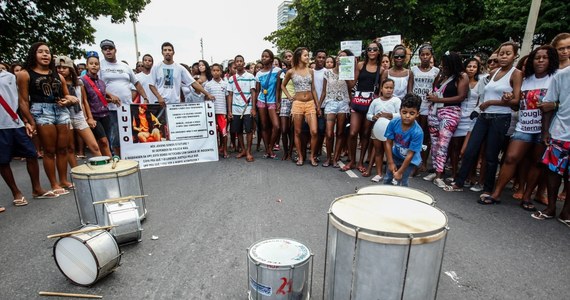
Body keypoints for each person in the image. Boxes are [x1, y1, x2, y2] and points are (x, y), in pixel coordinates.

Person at [446, 42, 523, 201]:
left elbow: (516, 101)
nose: (503, 57)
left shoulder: (516, 74)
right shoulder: (494, 73)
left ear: (515, 56)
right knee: (470, 150)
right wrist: (484, 105)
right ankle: (459, 183)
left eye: (508, 53)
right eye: (501, 53)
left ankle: (488, 188)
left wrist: (492, 103)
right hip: (483, 116)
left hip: (500, 118)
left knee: (491, 155)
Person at [484, 45, 558, 210]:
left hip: (544, 129)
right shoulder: (526, 79)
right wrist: (509, 97)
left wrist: (552, 104)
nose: (540, 61)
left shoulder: (556, 77)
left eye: (544, 58)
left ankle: (527, 197)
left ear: (550, 60)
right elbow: (517, 105)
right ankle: (496, 193)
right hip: (524, 126)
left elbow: (563, 102)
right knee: (511, 158)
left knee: (537, 163)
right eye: (537, 58)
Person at [17, 42, 78, 195]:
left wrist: (69, 100)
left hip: (61, 110)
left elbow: (67, 96)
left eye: (47, 52)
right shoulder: (25, 74)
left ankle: (63, 180)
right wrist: (30, 121)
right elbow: (23, 101)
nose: (45, 55)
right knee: (49, 150)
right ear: (33, 54)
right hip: (41, 111)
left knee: (63, 148)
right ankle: (54, 184)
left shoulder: (58, 75)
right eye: (41, 52)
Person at [1, 66, 58, 211]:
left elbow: (20, 100)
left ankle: (37, 189)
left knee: (31, 154)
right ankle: (16, 193)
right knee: (3, 161)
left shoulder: (9, 77)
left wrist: (27, 120)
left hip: (15, 122)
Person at [531, 65, 570, 225]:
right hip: (560, 131)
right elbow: (548, 103)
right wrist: (545, 131)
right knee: (553, 171)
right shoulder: (562, 75)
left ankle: (566, 212)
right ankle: (551, 207)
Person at [423, 51, 469, 188]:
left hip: (450, 113)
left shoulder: (462, 77)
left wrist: (439, 99)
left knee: (443, 143)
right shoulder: (442, 75)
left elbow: (461, 97)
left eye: (445, 63)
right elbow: (435, 89)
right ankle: (437, 170)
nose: (442, 66)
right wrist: (432, 97)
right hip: (434, 111)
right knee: (435, 143)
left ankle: (439, 175)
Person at [99, 39, 151, 156]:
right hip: (111, 108)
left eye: (110, 48)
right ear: (102, 51)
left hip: (127, 106)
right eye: (105, 49)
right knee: (116, 136)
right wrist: (110, 95)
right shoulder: (100, 66)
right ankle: (118, 158)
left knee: (130, 133)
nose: (108, 51)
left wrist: (145, 97)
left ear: (115, 50)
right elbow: (97, 86)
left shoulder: (124, 66)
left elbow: (136, 83)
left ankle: (129, 156)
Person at [342, 40, 383, 172]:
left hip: (372, 104)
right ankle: (352, 161)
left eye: (374, 49)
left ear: (379, 52)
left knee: (365, 134)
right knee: (353, 132)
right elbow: (352, 84)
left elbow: (381, 90)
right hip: (357, 101)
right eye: (369, 49)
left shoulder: (381, 69)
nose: (371, 51)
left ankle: (360, 162)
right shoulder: (360, 65)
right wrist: (346, 74)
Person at [55, 55, 102, 168]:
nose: (61, 70)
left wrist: (89, 117)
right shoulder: (55, 82)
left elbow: (84, 101)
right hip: (64, 116)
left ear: (70, 68)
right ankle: (76, 174)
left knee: (94, 146)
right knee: (70, 148)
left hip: (79, 116)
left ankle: (102, 172)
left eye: (64, 67)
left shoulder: (79, 82)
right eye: (58, 67)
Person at [282, 47, 320, 166]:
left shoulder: (311, 71)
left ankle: (312, 156)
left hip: (310, 103)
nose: (308, 57)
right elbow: (283, 86)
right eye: (305, 55)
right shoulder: (291, 72)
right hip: (297, 103)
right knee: (297, 132)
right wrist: (289, 96)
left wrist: (317, 105)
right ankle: (300, 156)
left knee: (314, 131)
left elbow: (313, 88)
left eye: (308, 55)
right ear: (299, 57)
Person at [407, 44, 440, 174]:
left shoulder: (436, 71)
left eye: (428, 54)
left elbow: (436, 89)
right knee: (413, 134)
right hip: (416, 107)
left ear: (431, 56)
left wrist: (433, 96)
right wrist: (411, 105)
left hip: (428, 107)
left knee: (425, 136)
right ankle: (412, 160)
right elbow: (410, 88)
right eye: (423, 54)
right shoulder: (413, 70)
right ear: (419, 56)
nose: (425, 57)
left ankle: (423, 162)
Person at [149, 42, 214, 105]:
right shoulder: (156, 67)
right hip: (161, 103)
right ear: (162, 53)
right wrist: (159, 97)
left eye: (170, 50)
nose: (167, 52)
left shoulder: (180, 68)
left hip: (175, 103)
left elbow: (193, 82)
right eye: (165, 50)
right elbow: (151, 85)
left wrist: (207, 94)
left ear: (173, 52)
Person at [320, 49, 353, 168]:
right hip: (330, 103)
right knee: (329, 133)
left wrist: (346, 73)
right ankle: (328, 157)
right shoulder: (327, 73)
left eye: (345, 58)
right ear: (336, 59)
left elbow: (350, 87)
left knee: (340, 132)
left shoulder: (348, 72)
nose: (341, 59)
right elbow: (324, 91)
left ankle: (335, 158)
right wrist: (319, 105)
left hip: (343, 103)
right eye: (340, 57)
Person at [383, 93, 423, 186]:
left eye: (412, 113)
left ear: (417, 114)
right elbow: (388, 143)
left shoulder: (418, 132)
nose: (407, 116)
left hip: (410, 160)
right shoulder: (393, 123)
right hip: (395, 155)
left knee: (402, 181)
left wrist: (400, 172)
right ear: (400, 111)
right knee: (388, 178)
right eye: (404, 112)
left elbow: (410, 154)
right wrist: (390, 162)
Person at [366, 78, 401, 181]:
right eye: (386, 87)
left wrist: (389, 115)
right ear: (381, 89)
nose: (389, 90)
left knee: (390, 153)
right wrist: (373, 117)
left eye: (391, 88)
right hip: (377, 130)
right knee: (378, 151)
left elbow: (400, 114)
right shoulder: (375, 101)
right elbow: (368, 114)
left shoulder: (396, 100)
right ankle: (379, 173)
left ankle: (393, 175)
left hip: (390, 131)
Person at [80, 51, 113, 157]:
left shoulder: (101, 83)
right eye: (91, 63)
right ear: (87, 65)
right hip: (94, 116)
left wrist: (111, 99)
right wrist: (89, 118)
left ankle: (106, 161)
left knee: (106, 141)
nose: (94, 66)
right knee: (102, 141)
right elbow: (84, 101)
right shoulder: (82, 81)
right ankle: (110, 162)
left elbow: (98, 98)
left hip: (105, 114)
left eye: (96, 64)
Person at [227, 55, 257, 162]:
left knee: (249, 130)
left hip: (247, 107)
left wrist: (253, 108)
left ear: (244, 63)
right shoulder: (231, 79)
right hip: (235, 109)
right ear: (235, 64)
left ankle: (249, 151)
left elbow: (253, 92)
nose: (239, 63)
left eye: (241, 61)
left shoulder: (250, 76)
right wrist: (229, 110)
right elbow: (230, 95)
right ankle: (243, 150)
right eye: (237, 62)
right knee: (238, 130)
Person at [255, 49, 282, 160]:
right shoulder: (259, 73)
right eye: (262, 56)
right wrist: (255, 104)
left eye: (266, 56)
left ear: (271, 58)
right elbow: (257, 90)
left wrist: (278, 102)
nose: (263, 58)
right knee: (264, 126)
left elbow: (278, 89)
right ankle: (267, 150)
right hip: (261, 100)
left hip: (272, 101)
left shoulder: (278, 71)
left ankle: (270, 147)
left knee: (276, 126)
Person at [204, 63, 229, 158]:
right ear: (211, 72)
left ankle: (225, 150)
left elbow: (227, 98)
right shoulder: (208, 85)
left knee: (223, 133)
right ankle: (216, 150)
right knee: (214, 132)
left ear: (221, 72)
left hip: (222, 112)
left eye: (217, 70)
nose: (216, 72)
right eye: (214, 70)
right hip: (212, 112)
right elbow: (205, 98)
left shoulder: (225, 84)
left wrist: (228, 111)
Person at [312, 49, 327, 161]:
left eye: (323, 57)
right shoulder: (310, 71)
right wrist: (315, 105)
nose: (321, 59)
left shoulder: (327, 72)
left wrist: (319, 106)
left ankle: (317, 151)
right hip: (311, 104)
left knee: (321, 129)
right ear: (315, 58)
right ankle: (312, 150)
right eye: (319, 57)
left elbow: (324, 91)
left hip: (323, 105)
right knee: (311, 130)